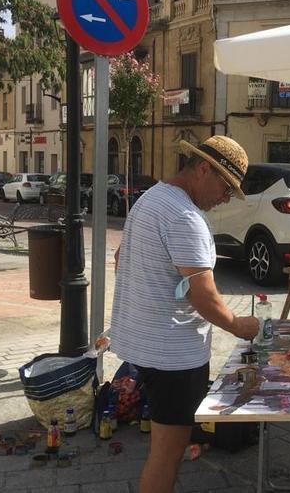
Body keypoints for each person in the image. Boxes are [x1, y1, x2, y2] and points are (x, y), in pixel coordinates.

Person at [110, 135, 260, 493]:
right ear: (203, 169)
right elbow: (203, 295)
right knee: (167, 454)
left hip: (145, 345)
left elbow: (120, 262)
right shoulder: (185, 217)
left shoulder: (151, 199)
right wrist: (240, 326)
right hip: (174, 355)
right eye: (225, 188)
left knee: (164, 448)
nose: (225, 198)